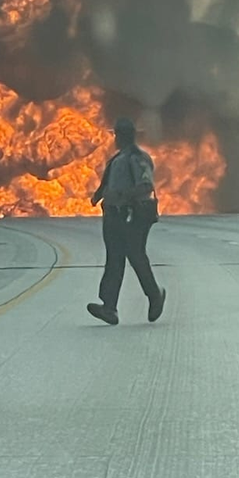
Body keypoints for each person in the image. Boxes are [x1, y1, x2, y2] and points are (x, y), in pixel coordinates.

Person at [87, 117, 166, 325]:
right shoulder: (117, 159)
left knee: (136, 256)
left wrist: (124, 197)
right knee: (114, 259)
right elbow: (107, 184)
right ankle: (109, 308)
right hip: (114, 215)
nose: (116, 138)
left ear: (123, 136)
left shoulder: (138, 158)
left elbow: (146, 185)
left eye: (118, 134)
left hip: (132, 216)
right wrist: (99, 196)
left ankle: (155, 295)